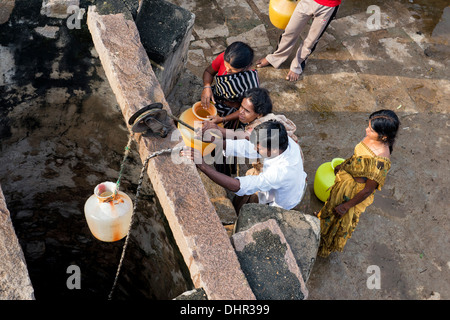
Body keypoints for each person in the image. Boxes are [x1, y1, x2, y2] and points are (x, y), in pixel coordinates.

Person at [317, 109, 400, 257]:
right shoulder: (372, 138)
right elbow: (356, 157)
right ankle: (321, 221)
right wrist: (342, 167)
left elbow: (367, 190)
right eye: (368, 126)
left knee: (338, 218)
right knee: (331, 203)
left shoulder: (380, 161)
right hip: (345, 180)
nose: (366, 130)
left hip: (352, 193)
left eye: (371, 129)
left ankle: (323, 246)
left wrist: (346, 206)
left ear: (384, 136)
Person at [183, 120, 307, 211]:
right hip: (282, 184)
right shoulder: (283, 142)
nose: (254, 149)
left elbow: (237, 186)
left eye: (258, 148)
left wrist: (202, 165)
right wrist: (214, 141)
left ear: (273, 150)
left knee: (257, 204)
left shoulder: (280, 172)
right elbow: (246, 147)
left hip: (283, 202)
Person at [256, 0, 341, 81]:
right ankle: (275, 58)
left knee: (312, 40)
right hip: (307, 2)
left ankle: (297, 65)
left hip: (329, 6)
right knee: (290, 31)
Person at [201, 41, 259, 130]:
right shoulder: (225, 57)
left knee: (219, 134)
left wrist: (222, 119)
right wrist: (207, 87)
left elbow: (247, 110)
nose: (227, 70)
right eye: (226, 65)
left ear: (246, 67)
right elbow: (208, 72)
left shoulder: (251, 84)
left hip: (232, 113)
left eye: (233, 69)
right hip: (216, 98)